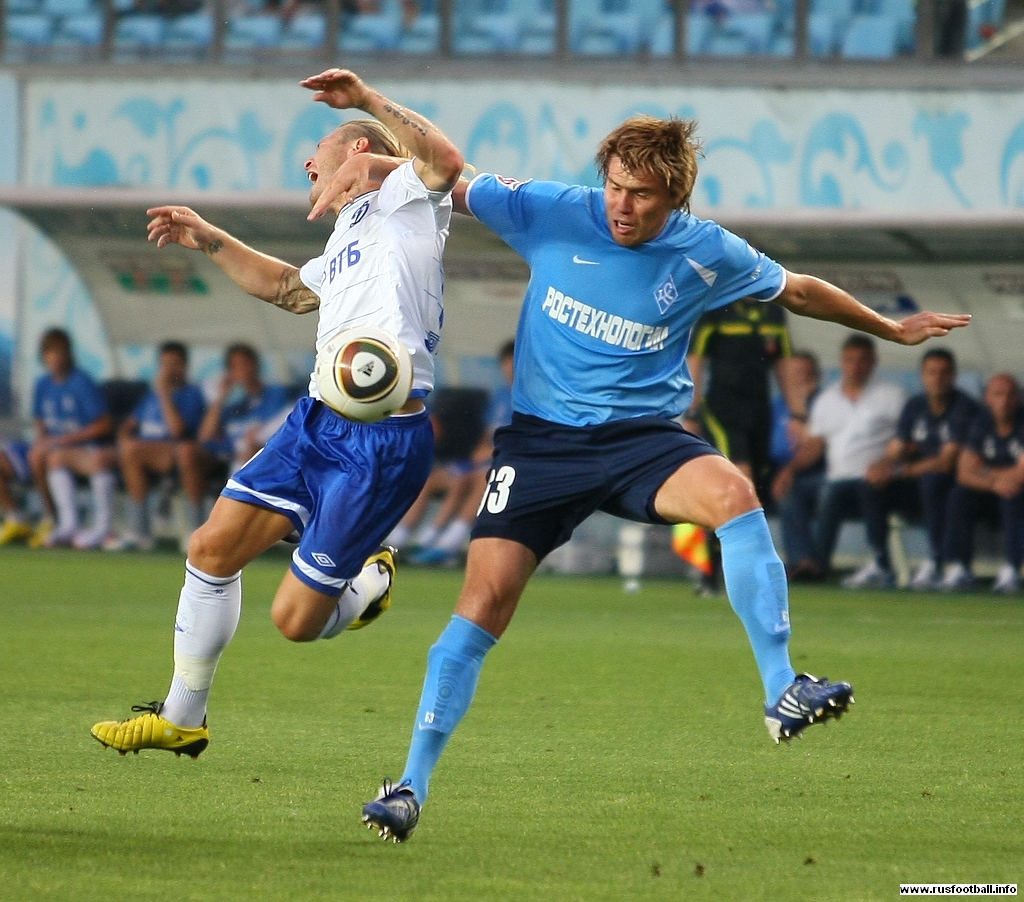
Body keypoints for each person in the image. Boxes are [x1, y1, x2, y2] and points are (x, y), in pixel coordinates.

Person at [314, 113, 970, 842]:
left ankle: (783, 687)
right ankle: (409, 787)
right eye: (617, 188)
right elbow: (442, 176)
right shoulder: (554, 209)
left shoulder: (707, 251)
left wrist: (891, 327)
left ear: (676, 198)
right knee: (482, 606)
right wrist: (367, 167)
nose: (623, 206)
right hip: (540, 448)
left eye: (643, 196)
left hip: (642, 441)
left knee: (735, 496)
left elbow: (800, 291)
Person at [90, 68, 464, 760]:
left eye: (318, 148)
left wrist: (367, 105)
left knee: (294, 622)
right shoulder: (349, 230)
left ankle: (368, 582)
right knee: (209, 549)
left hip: (383, 440)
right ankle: (182, 715)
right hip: (317, 423)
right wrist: (208, 237)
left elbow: (443, 162)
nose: (305, 162)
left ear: (357, 152)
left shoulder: (411, 199)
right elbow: (291, 290)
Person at [682, 297, 798, 593]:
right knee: (740, 483)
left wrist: (797, 412)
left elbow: (784, 362)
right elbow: (696, 359)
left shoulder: (774, 314)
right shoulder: (715, 310)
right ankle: (731, 573)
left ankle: (719, 567)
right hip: (722, 411)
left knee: (749, 492)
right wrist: (692, 411)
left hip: (759, 412)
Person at [788, 334, 907, 588]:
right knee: (793, 491)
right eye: (850, 360)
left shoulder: (892, 395)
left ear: (874, 362)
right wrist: (789, 470)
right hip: (835, 476)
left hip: (875, 477)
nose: (855, 366)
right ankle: (802, 560)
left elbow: (906, 441)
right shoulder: (826, 399)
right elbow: (816, 446)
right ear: (841, 362)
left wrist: (887, 464)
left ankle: (826, 564)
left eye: (862, 360)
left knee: (832, 493)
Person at [859, 348, 980, 591]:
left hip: (951, 485)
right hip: (917, 484)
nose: (938, 379)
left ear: (953, 376)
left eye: (944, 373)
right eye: (931, 373)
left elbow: (946, 461)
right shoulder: (915, 405)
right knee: (870, 485)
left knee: (933, 481)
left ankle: (939, 561)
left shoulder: (963, 407)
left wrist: (899, 471)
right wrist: (881, 468)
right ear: (922, 376)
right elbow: (898, 448)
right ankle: (880, 562)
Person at [395, 339, 515, 567]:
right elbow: (487, 433)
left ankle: (446, 544)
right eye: (506, 363)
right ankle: (400, 539)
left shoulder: (529, 398)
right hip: (481, 461)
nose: (509, 369)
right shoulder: (500, 396)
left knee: (482, 480)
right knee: (430, 479)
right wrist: (481, 448)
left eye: (513, 363)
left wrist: (493, 451)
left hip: (504, 465)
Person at [102, 340, 207, 552]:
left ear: (185, 366)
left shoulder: (190, 394)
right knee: (125, 451)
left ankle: (195, 528)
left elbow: (179, 432)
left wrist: (164, 395)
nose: (169, 370)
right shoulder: (150, 397)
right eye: (165, 364)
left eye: (175, 364)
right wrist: (123, 438)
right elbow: (129, 425)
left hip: (175, 451)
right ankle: (139, 530)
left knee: (135, 451)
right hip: (144, 452)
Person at [25, 328, 117, 549]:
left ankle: (102, 528)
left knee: (56, 458)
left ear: (68, 354)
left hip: (87, 448)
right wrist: (45, 439)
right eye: (49, 353)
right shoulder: (42, 385)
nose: (55, 358)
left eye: (60, 352)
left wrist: (67, 439)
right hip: (57, 449)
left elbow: (104, 424)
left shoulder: (81, 382)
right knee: (39, 455)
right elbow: (40, 421)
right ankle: (60, 521)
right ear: (43, 356)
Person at [938, 373, 1024, 594]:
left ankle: (1013, 569)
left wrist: (985, 470)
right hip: (991, 492)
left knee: (1012, 493)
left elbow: (1021, 474)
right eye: (998, 394)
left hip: (1017, 495)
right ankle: (958, 567)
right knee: (959, 494)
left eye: (1010, 395)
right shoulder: (981, 423)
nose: (1004, 401)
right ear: (987, 398)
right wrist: (995, 482)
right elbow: (964, 472)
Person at [769, 350, 826, 581]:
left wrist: (789, 471)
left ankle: (806, 561)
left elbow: (816, 445)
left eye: (806, 373)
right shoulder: (777, 404)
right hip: (774, 468)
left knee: (793, 492)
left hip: (812, 469)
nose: (801, 378)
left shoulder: (823, 402)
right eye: (796, 373)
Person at [198, 342, 292, 478]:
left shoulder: (278, 394)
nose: (243, 369)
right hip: (239, 467)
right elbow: (205, 437)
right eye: (236, 366)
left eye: (245, 363)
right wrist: (221, 396)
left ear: (256, 364)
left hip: (274, 462)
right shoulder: (235, 408)